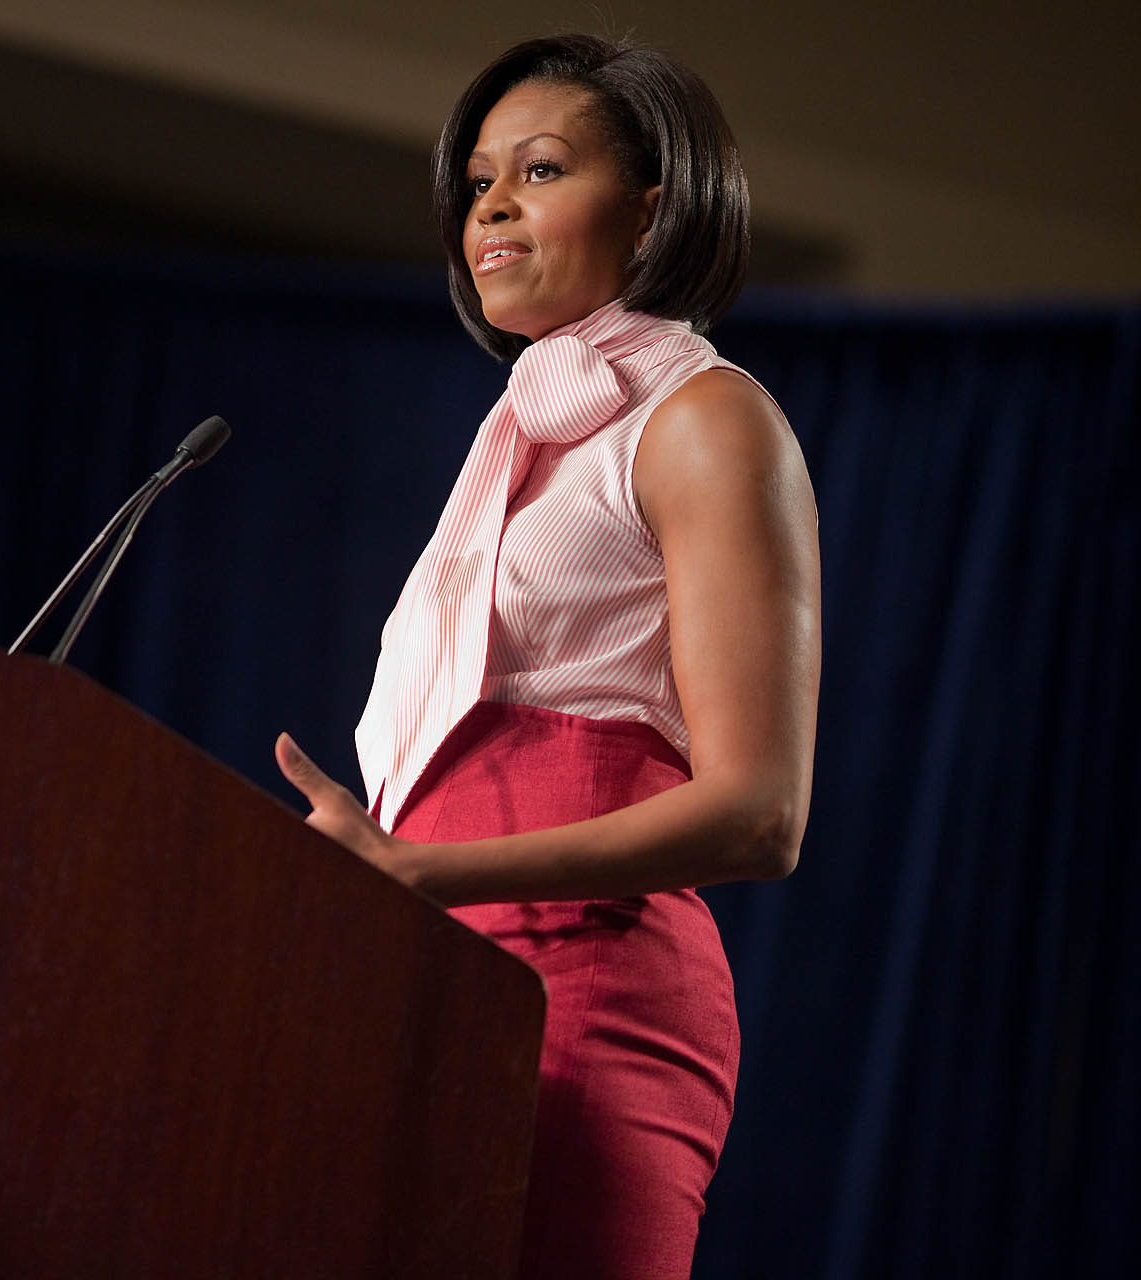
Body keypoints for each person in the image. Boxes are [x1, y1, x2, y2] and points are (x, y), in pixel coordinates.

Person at [273, 34, 821, 1280]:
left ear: (652, 205)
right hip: (429, 976)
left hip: (587, 987)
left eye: (541, 168)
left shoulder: (704, 417)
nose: (496, 205)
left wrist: (428, 871)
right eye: (478, 183)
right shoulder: (524, 438)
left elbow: (760, 812)